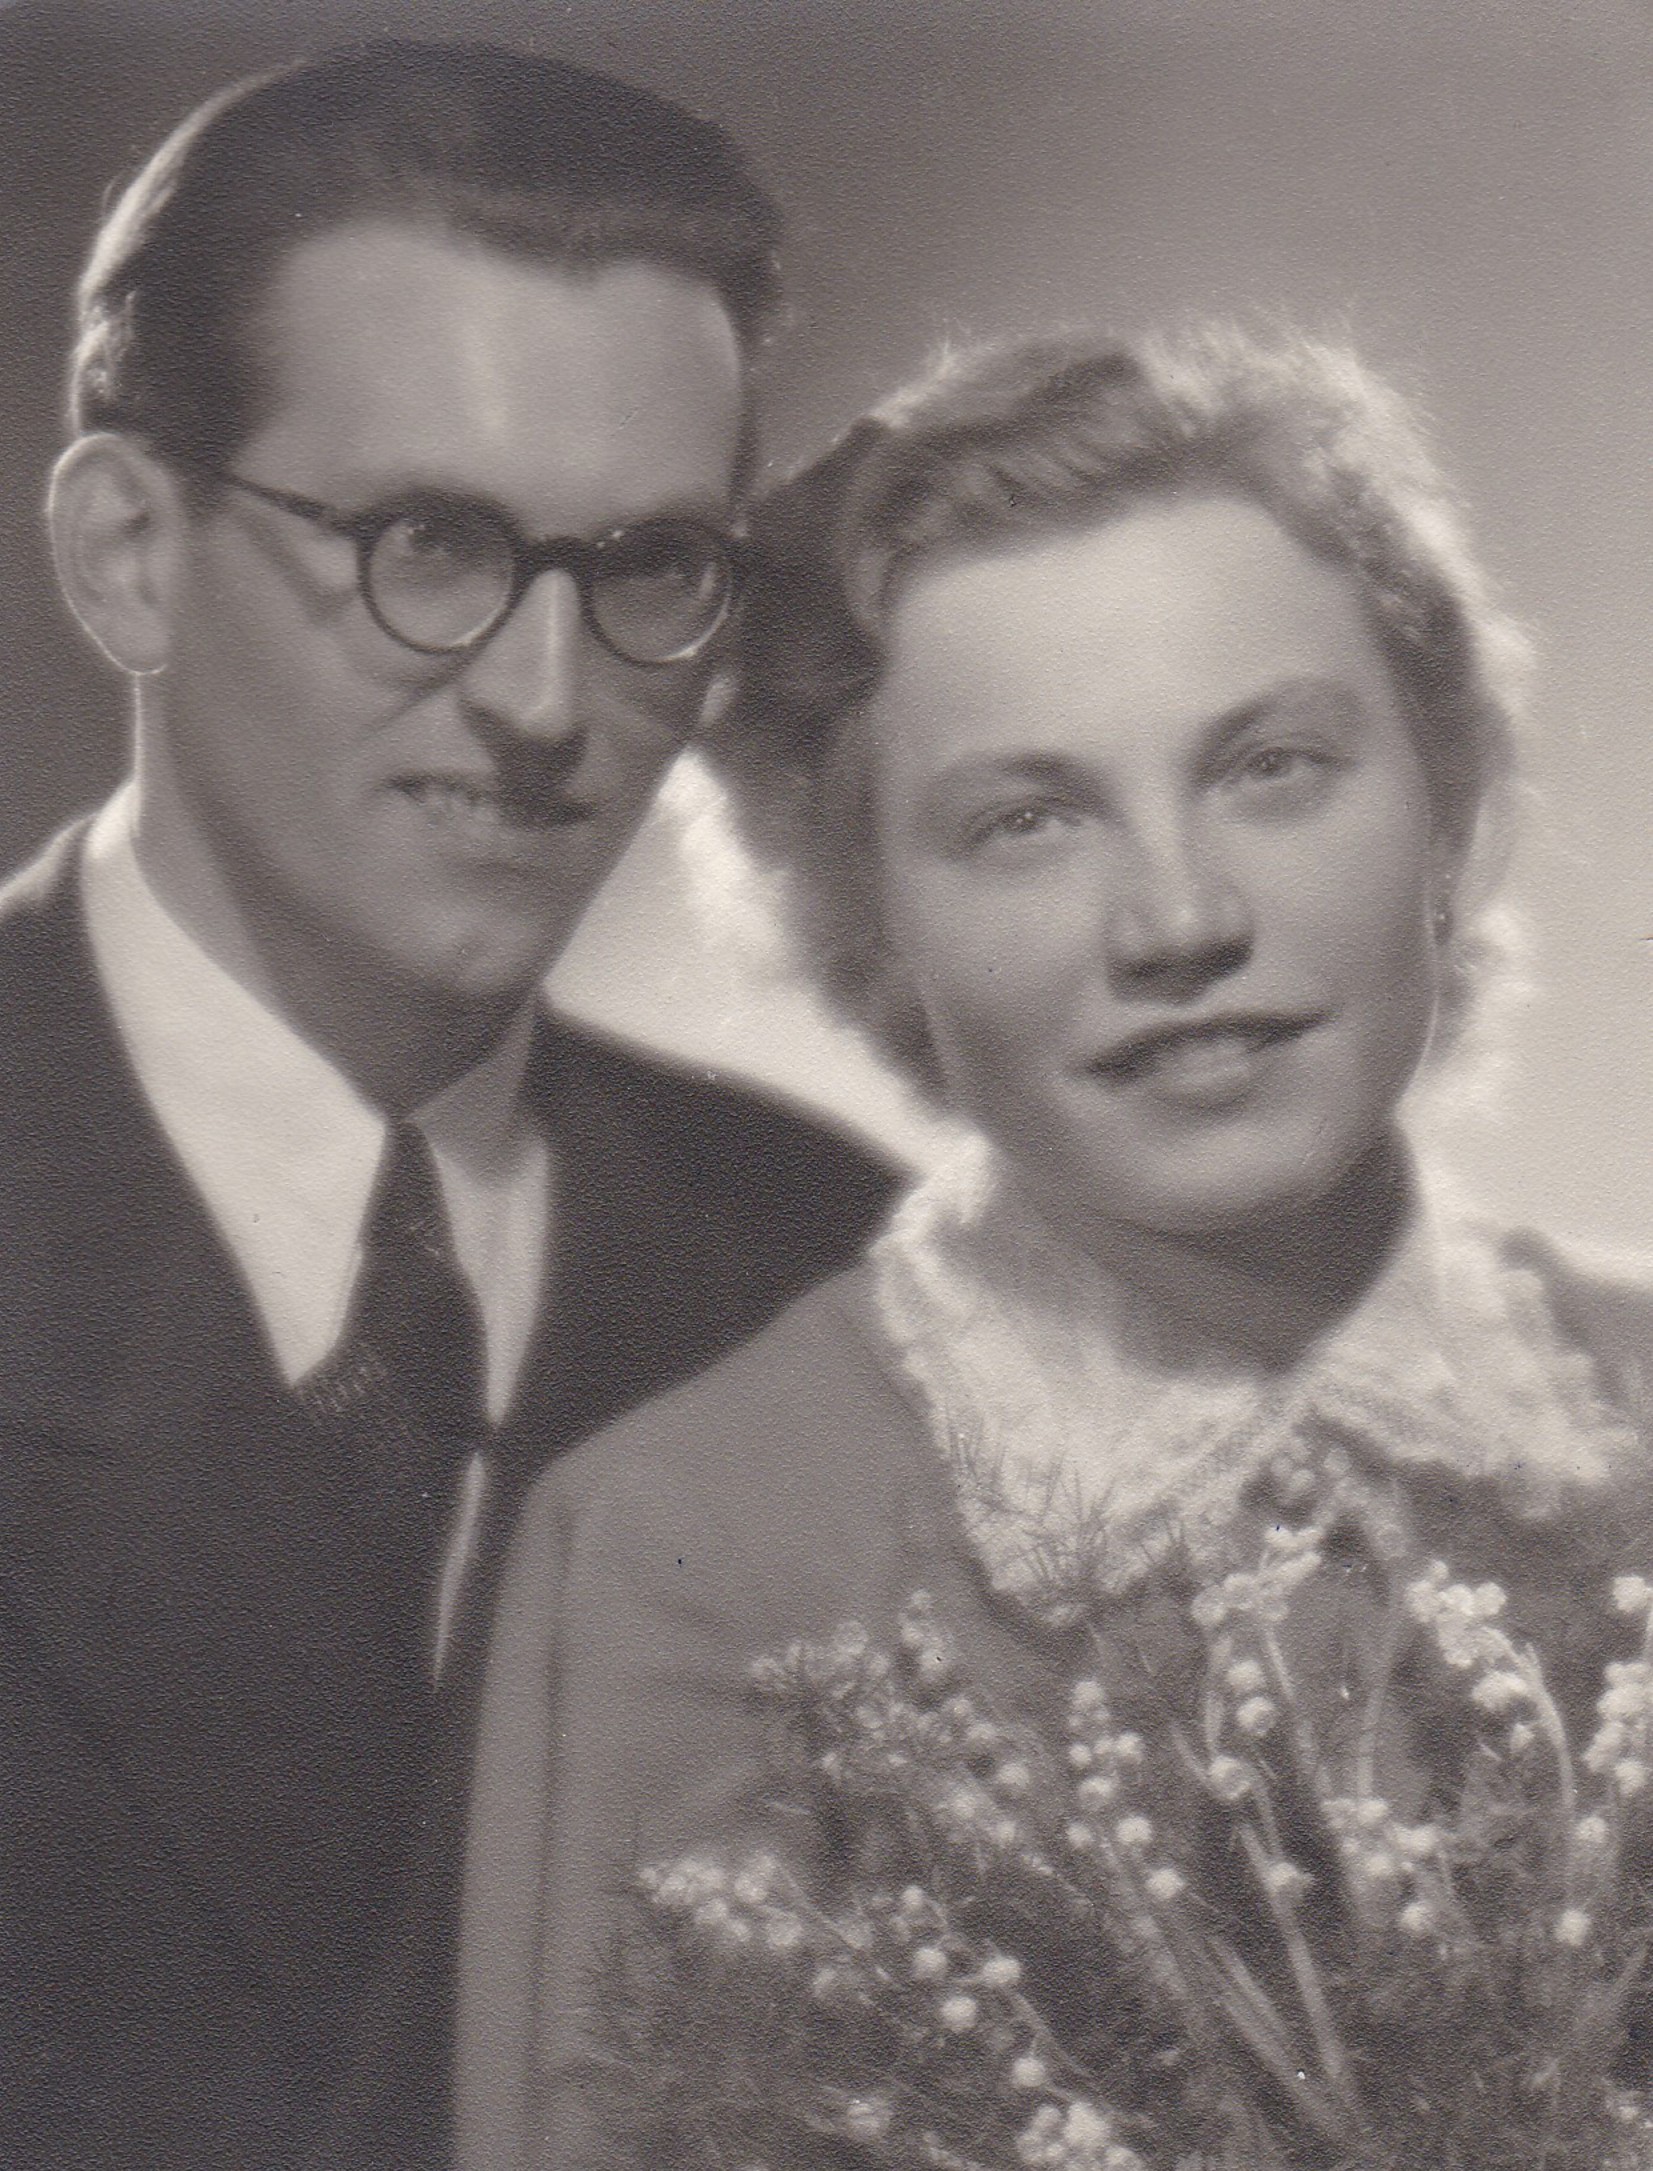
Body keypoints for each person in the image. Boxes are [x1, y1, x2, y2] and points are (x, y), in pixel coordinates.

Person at [461, 325, 1653, 2167]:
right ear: (868, 916)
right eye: (1023, 822)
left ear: (1450, 809)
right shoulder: (701, 1543)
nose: (1177, 918)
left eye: (1271, 766)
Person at [1, 39, 895, 2171]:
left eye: (650, 566)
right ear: (127, 552)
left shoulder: (836, 1280)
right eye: (428, 542)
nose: (542, 701)